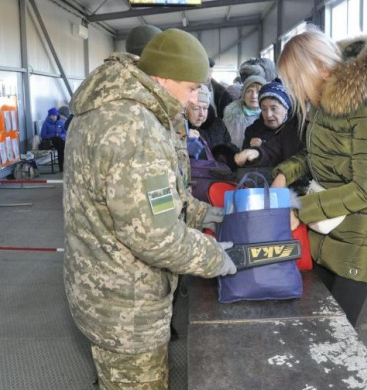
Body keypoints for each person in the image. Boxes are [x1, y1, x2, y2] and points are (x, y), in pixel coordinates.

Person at [63, 29, 236, 390]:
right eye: (190, 88)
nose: (193, 99)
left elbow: (146, 201)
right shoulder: (134, 129)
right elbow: (156, 237)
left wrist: (203, 214)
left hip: (101, 286)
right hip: (127, 305)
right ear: (162, 77)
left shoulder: (109, 106)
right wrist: (214, 257)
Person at [271, 30, 367, 325]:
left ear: (317, 67)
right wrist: (283, 174)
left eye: (295, 79)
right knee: (318, 311)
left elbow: (366, 188)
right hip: (331, 218)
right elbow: (316, 155)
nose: (294, 89)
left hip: (365, 229)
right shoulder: (324, 104)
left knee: (337, 328)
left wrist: (301, 212)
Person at [234, 80, 302, 168]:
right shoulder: (252, 131)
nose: (268, 114)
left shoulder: (297, 129)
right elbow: (245, 165)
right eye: (264, 109)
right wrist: (252, 152)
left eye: (274, 108)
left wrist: (263, 148)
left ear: (286, 108)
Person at [186, 84, 237, 160]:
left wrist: (236, 155)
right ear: (185, 109)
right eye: (196, 108)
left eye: (205, 108)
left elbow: (229, 146)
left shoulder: (218, 125)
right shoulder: (179, 130)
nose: (201, 114)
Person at [223, 75, 265, 149]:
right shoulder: (230, 115)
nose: (254, 96)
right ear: (243, 94)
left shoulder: (269, 117)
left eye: (258, 92)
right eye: (249, 91)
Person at [40, 107, 66, 171]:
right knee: (60, 144)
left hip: (60, 141)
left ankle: (63, 165)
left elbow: (65, 133)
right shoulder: (46, 124)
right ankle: (62, 166)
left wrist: (60, 135)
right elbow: (43, 135)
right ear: (49, 116)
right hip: (50, 141)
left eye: (54, 115)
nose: (53, 117)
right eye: (51, 115)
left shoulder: (60, 122)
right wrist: (54, 135)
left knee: (62, 145)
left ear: (57, 115)